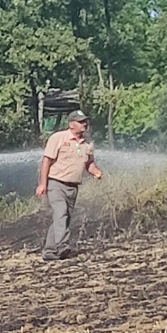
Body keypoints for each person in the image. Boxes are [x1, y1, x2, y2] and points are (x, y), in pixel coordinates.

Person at [35, 110, 104, 261]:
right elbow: (46, 161)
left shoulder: (87, 144)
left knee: (63, 219)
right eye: (80, 122)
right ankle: (62, 246)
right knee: (61, 212)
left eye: (85, 121)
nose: (84, 124)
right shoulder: (58, 138)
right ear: (71, 124)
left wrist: (96, 172)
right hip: (56, 183)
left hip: (73, 187)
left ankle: (50, 252)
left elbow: (89, 163)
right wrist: (42, 184)